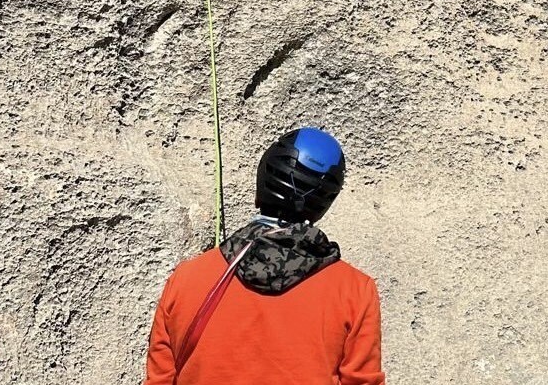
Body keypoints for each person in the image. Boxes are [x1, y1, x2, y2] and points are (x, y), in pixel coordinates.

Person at [143, 128, 386, 385]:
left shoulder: (186, 279)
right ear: (323, 203)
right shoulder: (354, 291)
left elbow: (159, 380)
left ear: (262, 183)